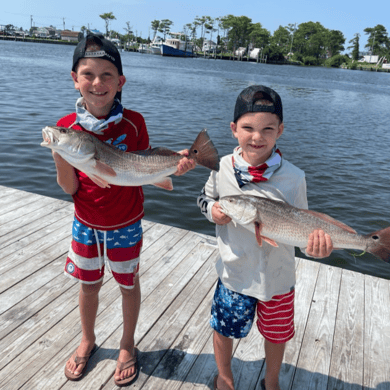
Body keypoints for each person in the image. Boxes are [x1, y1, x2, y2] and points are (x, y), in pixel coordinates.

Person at [52, 33, 195, 387]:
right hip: (85, 224)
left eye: (107, 75)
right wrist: (61, 152)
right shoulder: (66, 128)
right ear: (75, 79)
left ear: (120, 82)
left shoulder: (134, 123)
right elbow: (69, 188)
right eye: (88, 74)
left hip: (126, 223)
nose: (97, 83)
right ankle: (87, 339)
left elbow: (141, 167)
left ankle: (127, 344)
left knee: (128, 284)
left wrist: (172, 167)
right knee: (88, 286)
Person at [197, 85, 333, 390]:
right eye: (248, 128)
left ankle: (271, 382)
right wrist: (214, 211)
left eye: (267, 129)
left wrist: (317, 248)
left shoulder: (294, 177)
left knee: (277, 335)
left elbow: (304, 225)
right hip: (235, 273)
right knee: (224, 329)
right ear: (233, 129)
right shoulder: (221, 167)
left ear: (280, 130)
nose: (257, 137)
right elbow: (204, 199)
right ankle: (225, 377)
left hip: (278, 277)